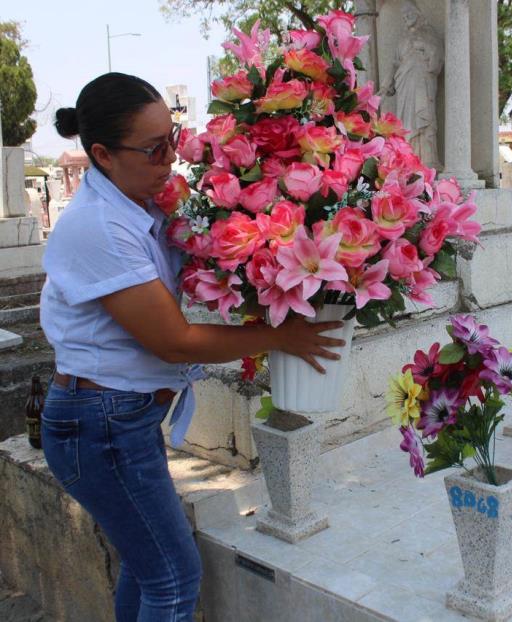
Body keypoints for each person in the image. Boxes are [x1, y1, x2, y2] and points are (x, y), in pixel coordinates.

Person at [41, 73, 345, 622]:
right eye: (155, 149)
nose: (171, 159)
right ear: (104, 154)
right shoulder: (99, 227)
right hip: (100, 424)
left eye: (174, 139)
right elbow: (173, 341)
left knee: (147, 565)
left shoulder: (138, 204)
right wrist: (281, 335)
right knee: (175, 579)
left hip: (118, 418)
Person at [379, 0, 443, 169]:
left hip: (422, 81)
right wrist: (386, 83)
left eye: (410, 13)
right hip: (404, 83)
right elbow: (394, 63)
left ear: (418, 14)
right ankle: (408, 159)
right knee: (406, 122)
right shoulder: (402, 39)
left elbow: (437, 58)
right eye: (404, 15)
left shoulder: (428, 34)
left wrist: (423, 46)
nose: (406, 17)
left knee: (424, 117)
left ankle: (428, 160)